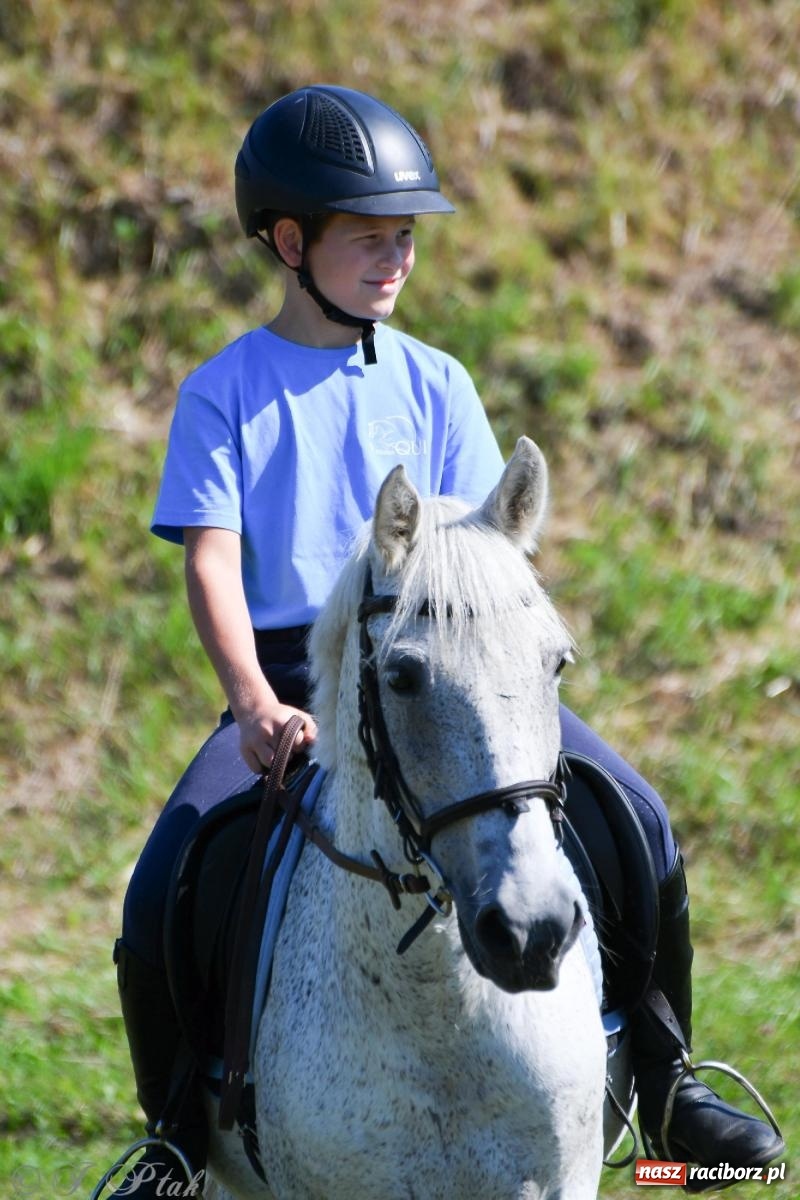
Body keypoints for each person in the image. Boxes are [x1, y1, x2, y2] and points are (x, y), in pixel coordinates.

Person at [112, 85, 783, 1195]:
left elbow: (487, 547)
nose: (396, 259)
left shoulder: (437, 381)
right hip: (292, 676)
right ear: (290, 243)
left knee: (636, 813)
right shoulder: (222, 392)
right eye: (368, 237)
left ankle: (668, 1077)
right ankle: (178, 1132)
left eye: (406, 237)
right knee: (170, 871)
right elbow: (211, 562)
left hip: (445, 666)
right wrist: (253, 704)